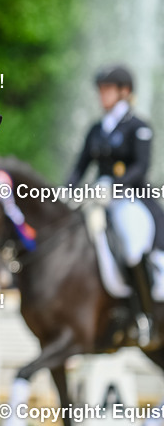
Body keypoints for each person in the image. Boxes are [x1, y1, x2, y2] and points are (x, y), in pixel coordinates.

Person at [68, 64, 163, 348]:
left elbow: (141, 167)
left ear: (124, 92)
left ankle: (146, 316)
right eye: (101, 90)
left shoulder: (139, 126)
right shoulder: (97, 129)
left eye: (107, 90)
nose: (102, 95)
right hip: (97, 198)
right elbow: (80, 166)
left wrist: (114, 187)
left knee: (133, 248)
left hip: (129, 198)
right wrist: (65, 192)